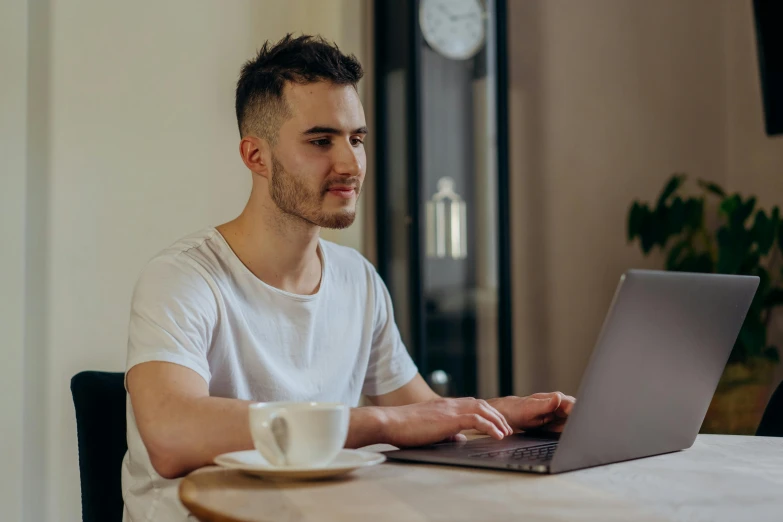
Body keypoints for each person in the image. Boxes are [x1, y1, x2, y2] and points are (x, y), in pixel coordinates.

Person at [122, 34, 575, 522]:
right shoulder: (183, 278)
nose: (350, 163)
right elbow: (171, 435)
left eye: (356, 139)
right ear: (256, 157)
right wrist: (383, 422)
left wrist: (509, 413)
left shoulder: (358, 279)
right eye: (321, 141)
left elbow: (425, 415)